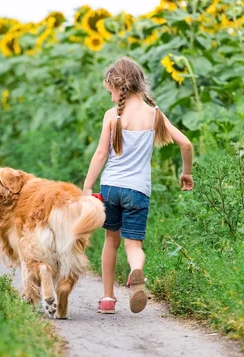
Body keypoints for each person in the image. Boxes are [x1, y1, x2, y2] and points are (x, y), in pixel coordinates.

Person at [82, 56, 194, 314]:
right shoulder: (154, 115)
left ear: (120, 87)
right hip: (138, 191)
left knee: (111, 241)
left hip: (111, 188)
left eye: (111, 91)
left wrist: (88, 187)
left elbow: (100, 154)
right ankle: (135, 272)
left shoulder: (112, 116)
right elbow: (186, 144)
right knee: (134, 245)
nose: (111, 98)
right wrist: (186, 172)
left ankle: (108, 298)